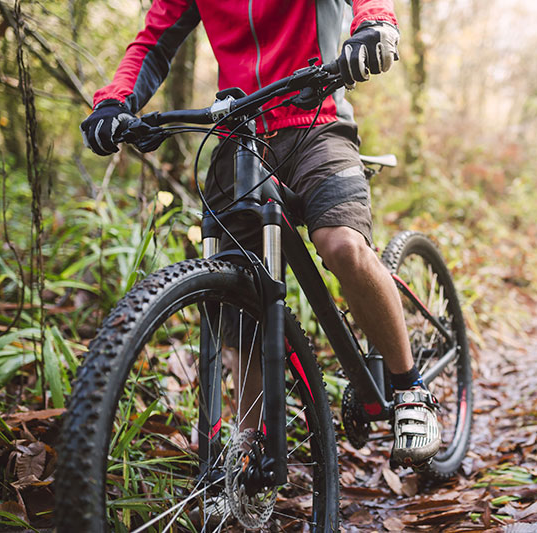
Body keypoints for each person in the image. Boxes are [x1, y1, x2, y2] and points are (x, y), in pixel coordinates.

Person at [79, 0, 440, 467]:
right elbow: (153, 42)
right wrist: (114, 100)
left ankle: (410, 388)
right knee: (239, 293)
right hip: (238, 137)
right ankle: (245, 443)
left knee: (342, 244)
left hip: (316, 123)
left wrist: (376, 26)